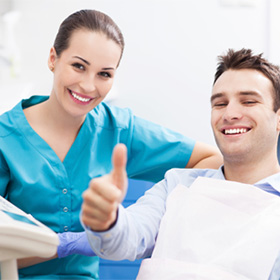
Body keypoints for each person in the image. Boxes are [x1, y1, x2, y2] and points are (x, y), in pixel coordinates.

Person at [0, 9, 222, 280]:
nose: (88, 86)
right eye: (78, 66)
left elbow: (211, 160)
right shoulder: (6, 139)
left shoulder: (119, 130)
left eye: (104, 74)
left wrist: (142, 218)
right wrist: (63, 245)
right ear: (53, 59)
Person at [81, 48, 280, 280]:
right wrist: (108, 220)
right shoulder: (177, 185)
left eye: (248, 101)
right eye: (219, 103)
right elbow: (130, 236)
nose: (230, 113)